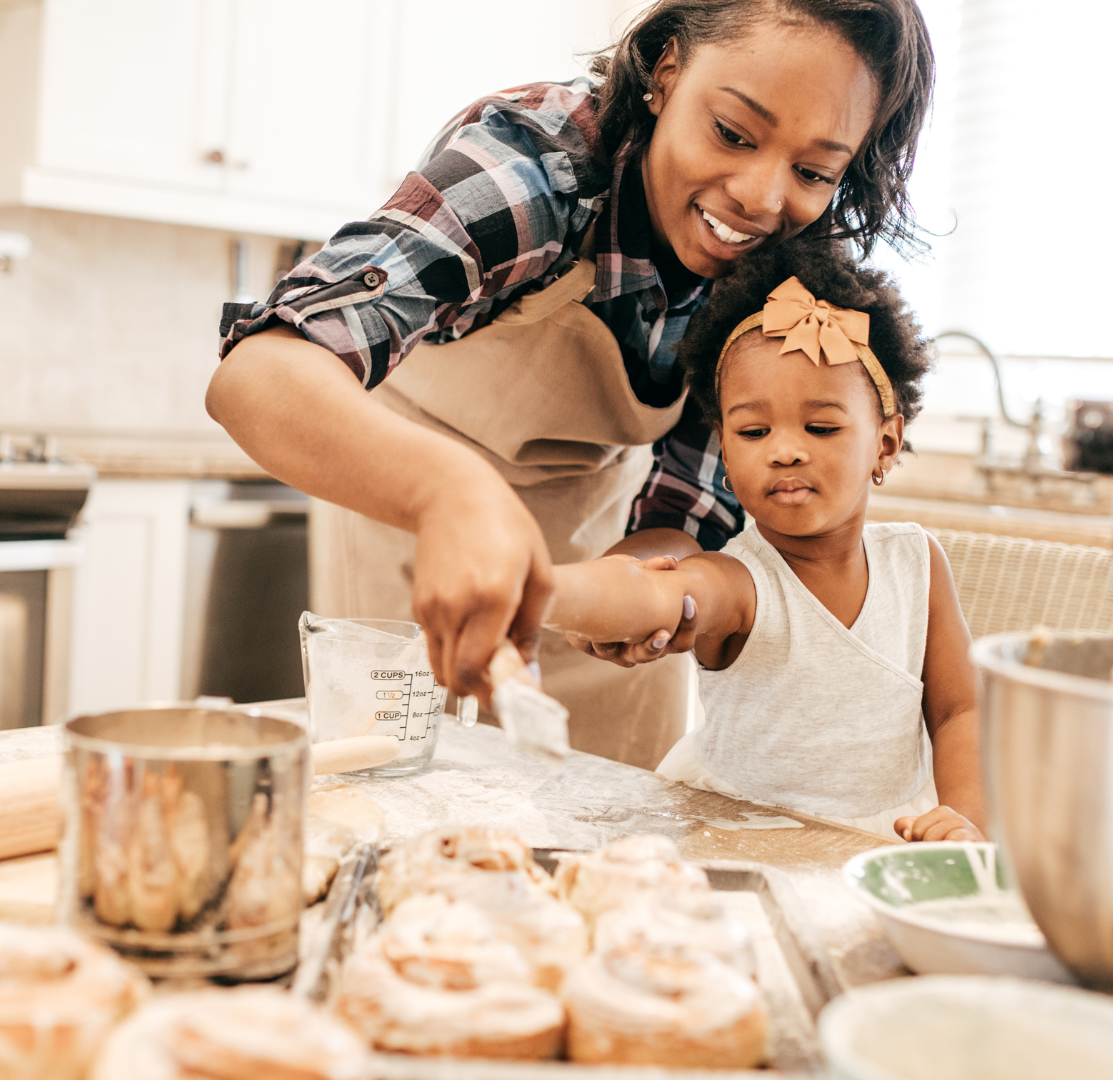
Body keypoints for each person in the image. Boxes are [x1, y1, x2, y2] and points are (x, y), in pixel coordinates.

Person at [209, 0, 934, 768]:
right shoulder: (532, 174)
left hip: (601, 537)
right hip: (406, 502)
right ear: (667, 70)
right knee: (406, 802)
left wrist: (638, 591)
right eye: (732, 133)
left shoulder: (780, 278)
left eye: (813, 170)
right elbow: (259, 372)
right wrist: (449, 495)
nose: (760, 196)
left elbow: (692, 505)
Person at [541, 242, 983, 841]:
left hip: (885, 837)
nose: (785, 449)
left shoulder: (918, 562)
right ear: (724, 452)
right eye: (753, 430)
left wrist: (966, 821)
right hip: (740, 844)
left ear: (885, 442)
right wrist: (544, 590)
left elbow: (960, 710)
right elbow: (661, 594)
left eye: (821, 426)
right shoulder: (739, 579)